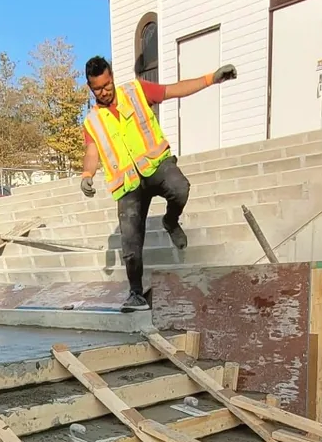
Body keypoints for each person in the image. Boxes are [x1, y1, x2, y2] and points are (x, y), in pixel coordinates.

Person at [80, 54, 236, 312]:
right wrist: (87, 174)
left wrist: (211, 78)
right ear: (90, 87)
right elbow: (91, 151)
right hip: (128, 185)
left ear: (112, 77)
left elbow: (174, 90)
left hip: (156, 166)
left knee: (180, 189)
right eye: (97, 89)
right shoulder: (92, 122)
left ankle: (170, 221)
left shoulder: (136, 91)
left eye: (107, 85)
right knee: (130, 244)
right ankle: (135, 294)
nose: (104, 92)